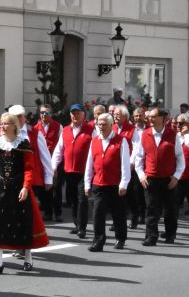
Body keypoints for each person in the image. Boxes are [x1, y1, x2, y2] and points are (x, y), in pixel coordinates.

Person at [0, 113, 49, 274]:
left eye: (6, 124)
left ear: (14, 126)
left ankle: (28, 258)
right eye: (1, 123)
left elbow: (29, 169)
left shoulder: (23, 144)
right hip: (1, 189)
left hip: (19, 189)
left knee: (23, 223)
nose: (3, 127)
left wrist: (26, 187)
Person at [135, 108, 184, 246]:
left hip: (169, 179)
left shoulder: (172, 135)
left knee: (170, 209)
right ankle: (151, 236)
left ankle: (170, 234)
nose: (150, 119)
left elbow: (180, 158)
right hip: (150, 178)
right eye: (149, 117)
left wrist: (176, 177)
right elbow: (139, 157)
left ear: (163, 118)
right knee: (151, 208)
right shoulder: (144, 134)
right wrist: (141, 175)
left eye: (153, 116)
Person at [84, 113, 131, 251]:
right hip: (99, 184)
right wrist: (87, 184)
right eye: (99, 124)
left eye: (104, 124)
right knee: (97, 213)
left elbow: (125, 165)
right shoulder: (95, 141)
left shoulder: (120, 140)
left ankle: (120, 238)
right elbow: (89, 164)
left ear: (111, 125)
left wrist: (124, 183)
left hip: (115, 185)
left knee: (118, 214)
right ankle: (98, 241)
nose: (101, 127)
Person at [50, 104, 91, 239]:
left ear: (83, 115)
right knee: (72, 198)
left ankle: (82, 227)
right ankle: (76, 224)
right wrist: (54, 166)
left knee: (81, 199)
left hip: (84, 171)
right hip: (69, 170)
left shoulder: (91, 130)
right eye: (73, 113)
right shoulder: (66, 130)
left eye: (78, 113)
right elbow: (59, 150)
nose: (75, 116)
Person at [8, 105, 53, 224]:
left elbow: (45, 156)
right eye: (16, 117)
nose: (19, 119)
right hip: (10, 177)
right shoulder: (1, 133)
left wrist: (48, 178)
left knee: (28, 208)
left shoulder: (34, 133)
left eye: (21, 117)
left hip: (30, 177)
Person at [34, 105, 63, 221]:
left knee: (56, 188)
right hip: (41, 163)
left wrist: (57, 164)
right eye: (42, 113)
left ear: (51, 114)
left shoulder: (58, 126)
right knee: (44, 188)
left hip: (55, 161)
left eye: (47, 112)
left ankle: (58, 212)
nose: (44, 115)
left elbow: (62, 145)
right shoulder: (35, 128)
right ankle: (48, 212)